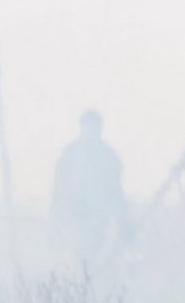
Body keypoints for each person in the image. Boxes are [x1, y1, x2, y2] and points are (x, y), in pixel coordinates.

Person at [51, 109, 128, 256]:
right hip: (75, 215)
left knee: (91, 252)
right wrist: (56, 218)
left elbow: (116, 189)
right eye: (89, 126)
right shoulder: (70, 154)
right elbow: (59, 188)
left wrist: (121, 219)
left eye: (95, 126)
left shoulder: (108, 156)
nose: (91, 130)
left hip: (97, 217)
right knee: (77, 253)